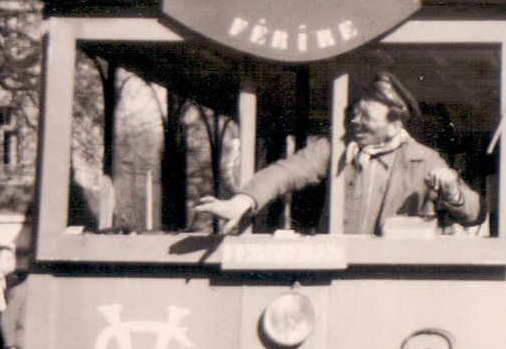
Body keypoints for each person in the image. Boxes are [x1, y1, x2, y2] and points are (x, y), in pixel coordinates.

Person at [196, 72, 481, 236]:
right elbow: (287, 171)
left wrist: (452, 191)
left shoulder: (424, 159)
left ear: (395, 124)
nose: (355, 122)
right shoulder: (335, 148)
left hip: (393, 278)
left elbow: (473, 213)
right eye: (354, 114)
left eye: (366, 117)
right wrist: (244, 201)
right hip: (337, 271)